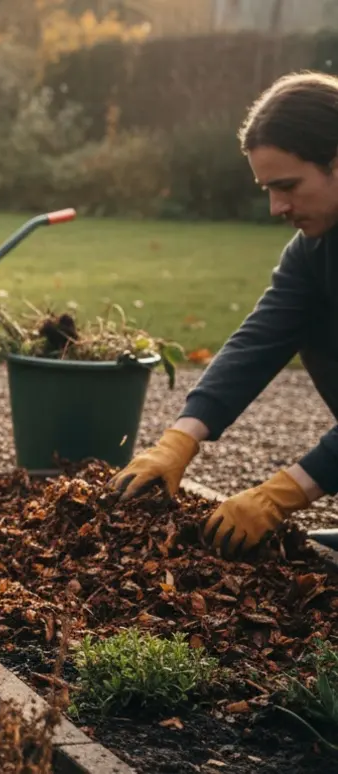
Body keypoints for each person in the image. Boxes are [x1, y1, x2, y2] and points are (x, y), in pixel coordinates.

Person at [109, 70, 338, 559]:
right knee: (306, 318)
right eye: (267, 190)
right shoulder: (314, 250)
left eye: (289, 186)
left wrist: (284, 494)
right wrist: (181, 437)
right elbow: (260, 339)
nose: (277, 206)